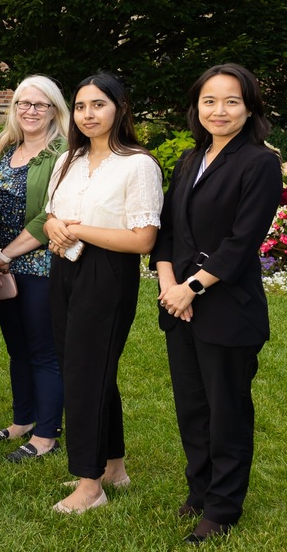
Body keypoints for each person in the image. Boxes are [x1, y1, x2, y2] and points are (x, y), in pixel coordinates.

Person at [152, 64, 281, 544]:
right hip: (178, 304)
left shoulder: (260, 163)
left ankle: (223, 507)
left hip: (227, 308)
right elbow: (166, 231)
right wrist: (170, 286)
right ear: (196, 107)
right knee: (192, 407)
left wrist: (193, 288)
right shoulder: (190, 159)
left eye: (231, 101)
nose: (219, 110)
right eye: (210, 101)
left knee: (227, 411)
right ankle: (199, 491)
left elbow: (241, 241)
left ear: (249, 108)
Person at [43, 73, 162, 514]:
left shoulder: (138, 164)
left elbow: (143, 239)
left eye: (98, 105)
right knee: (88, 371)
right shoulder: (67, 160)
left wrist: (74, 229)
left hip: (107, 275)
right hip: (64, 270)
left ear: (119, 109)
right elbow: (53, 215)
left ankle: (89, 486)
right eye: (80, 106)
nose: (88, 114)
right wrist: (55, 225)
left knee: (85, 374)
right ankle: (114, 467)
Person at [0, 76, 69, 463]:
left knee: (43, 350)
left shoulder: (63, 153)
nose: (30, 111)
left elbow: (51, 214)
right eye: (23, 104)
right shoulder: (7, 148)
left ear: (54, 110)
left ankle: (47, 435)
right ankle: (22, 420)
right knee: (18, 348)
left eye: (39, 105)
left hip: (37, 264)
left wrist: (5, 255)